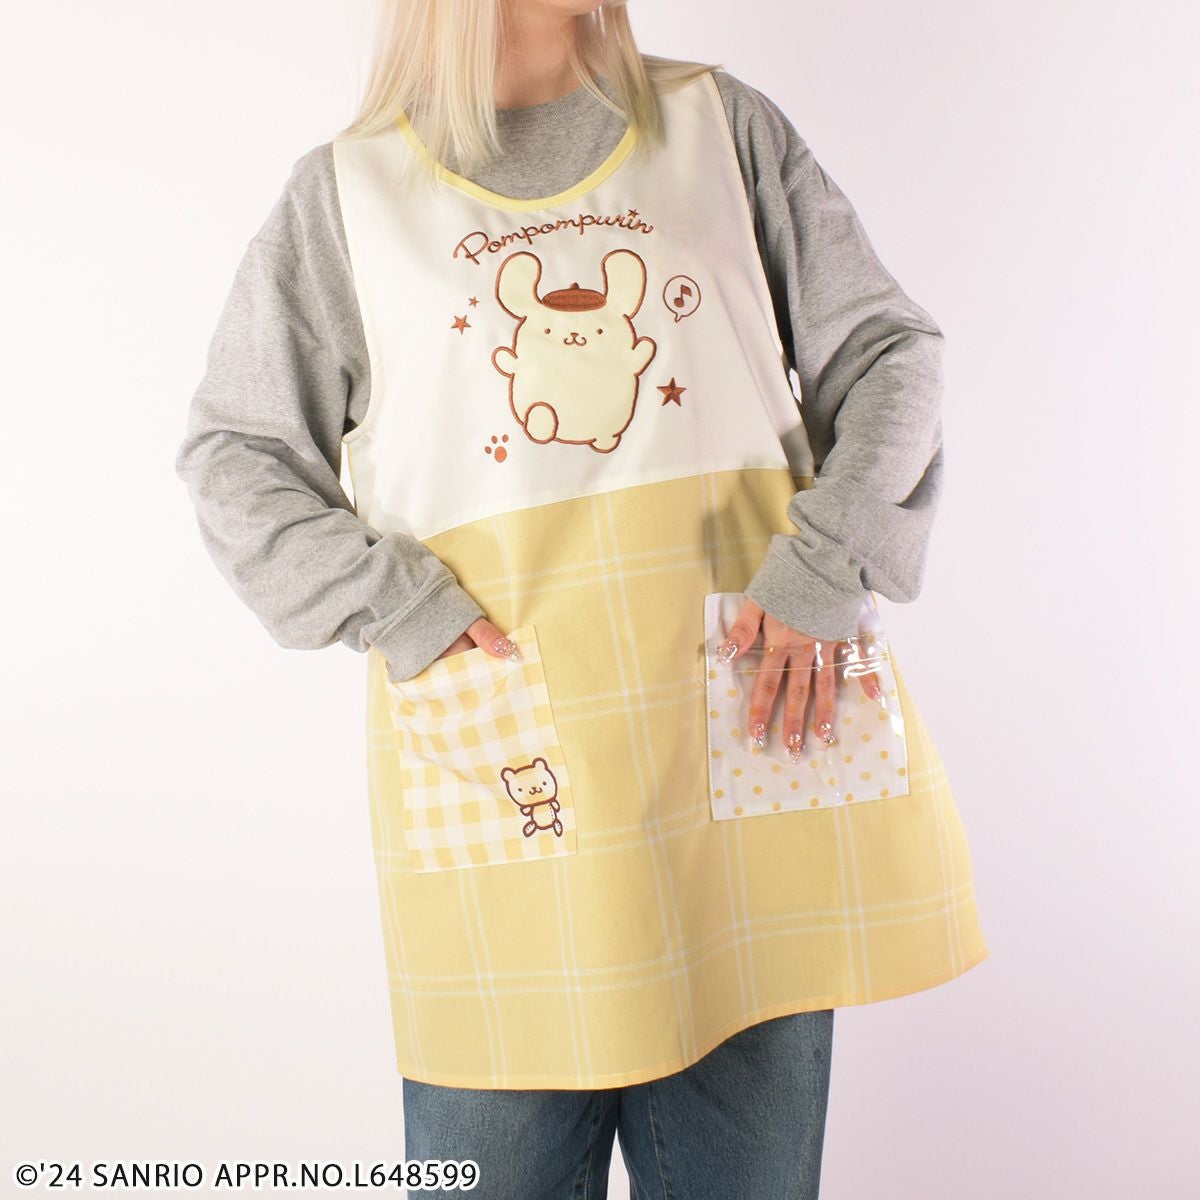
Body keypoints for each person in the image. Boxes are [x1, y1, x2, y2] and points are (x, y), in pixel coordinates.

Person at [175, 1, 990, 1195]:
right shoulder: (348, 195)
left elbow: (889, 354)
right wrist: (401, 606)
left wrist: (823, 565)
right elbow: (237, 455)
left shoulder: (723, 130)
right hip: (513, 792)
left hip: (743, 764)